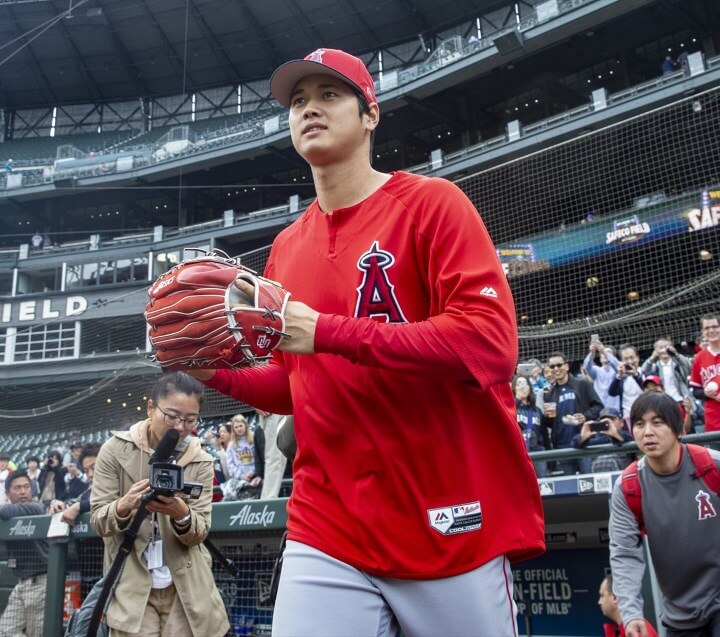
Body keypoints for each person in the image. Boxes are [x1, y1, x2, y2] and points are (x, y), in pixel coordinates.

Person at [188, 47, 544, 635]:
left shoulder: (433, 204)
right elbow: (295, 385)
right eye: (298, 101)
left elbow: (488, 345)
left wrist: (326, 331)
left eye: (329, 95)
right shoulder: (284, 248)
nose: (310, 109)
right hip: (327, 522)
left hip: (444, 512)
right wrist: (212, 375)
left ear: (370, 114)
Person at [90, 372, 229, 637]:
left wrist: (181, 514)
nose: (180, 427)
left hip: (185, 587)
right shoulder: (114, 450)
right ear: (151, 408)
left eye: (190, 419)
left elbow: (200, 531)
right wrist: (125, 504)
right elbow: (99, 520)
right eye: (172, 416)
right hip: (132, 586)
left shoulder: (200, 459)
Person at [609, 392, 720, 637]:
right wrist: (631, 613)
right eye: (639, 424)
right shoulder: (628, 486)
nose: (647, 432)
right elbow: (625, 554)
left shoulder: (712, 465)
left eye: (657, 423)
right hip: (680, 614)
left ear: (678, 429)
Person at [0, 471, 48, 637]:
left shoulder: (37, 507)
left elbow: (6, 512)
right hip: (22, 584)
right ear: (7, 493)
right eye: (17, 488)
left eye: (26, 487)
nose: (23, 491)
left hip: (43, 582)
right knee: (5, 630)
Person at [542, 351, 603, 475]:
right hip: (562, 446)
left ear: (567, 366)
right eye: (552, 366)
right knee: (569, 487)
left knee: (589, 485)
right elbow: (552, 423)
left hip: (583, 442)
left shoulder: (582, 384)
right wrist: (546, 417)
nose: (556, 369)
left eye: (559, 365)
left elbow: (598, 406)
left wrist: (585, 416)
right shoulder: (549, 394)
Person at [572, 406, 632, 472]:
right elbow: (574, 443)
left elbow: (631, 438)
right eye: (604, 421)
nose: (609, 424)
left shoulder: (627, 436)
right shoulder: (598, 438)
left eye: (612, 420)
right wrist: (582, 437)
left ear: (621, 422)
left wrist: (616, 435)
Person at [599, 572, 658, 637]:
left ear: (615, 597)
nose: (599, 602)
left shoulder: (637, 630)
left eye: (602, 596)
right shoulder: (626, 630)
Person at [512, 375, 548, 477]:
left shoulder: (537, 410)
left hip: (538, 453)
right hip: (518, 454)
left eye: (525, 383)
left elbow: (544, 436)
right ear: (514, 388)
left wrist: (551, 463)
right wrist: (517, 399)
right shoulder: (511, 408)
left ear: (529, 387)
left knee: (541, 486)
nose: (522, 387)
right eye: (519, 384)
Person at [690, 314, 720, 432]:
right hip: (714, 420)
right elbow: (696, 391)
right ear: (703, 332)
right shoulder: (699, 357)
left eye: (715, 326)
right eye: (707, 328)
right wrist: (706, 393)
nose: (711, 330)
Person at [222, 414, 262, 500]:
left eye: (241, 426)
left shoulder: (254, 439)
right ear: (233, 429)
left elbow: (259, 459)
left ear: (245, 425)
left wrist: (253, 472)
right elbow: (231, 466)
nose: (239, 429)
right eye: (236, 427)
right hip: (240, 480)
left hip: (255, 478)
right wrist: (242, 476)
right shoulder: (231, 445)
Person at [254, 409, 289, 499]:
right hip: (273, 407)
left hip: (296, 402)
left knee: (283, 456)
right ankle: (268, 500)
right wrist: (256, 403)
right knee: (275, 457)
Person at [608, 345, 644, 422]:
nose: (630, 361)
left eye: (632, 357)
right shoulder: (621, 378)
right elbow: (612, 393)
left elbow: (648, 389)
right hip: (627, 417)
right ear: (621, 361)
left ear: (637, 358)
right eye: (626, 359)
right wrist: (619, 376)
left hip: (646, 414)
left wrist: (635, 375)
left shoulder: (646, 373)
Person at [584, 340, 620, 412]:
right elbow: (586, 367)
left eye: (609, 353)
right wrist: (592, 353)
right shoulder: (596, 370)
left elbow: (618, 366)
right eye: (602, 353)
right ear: (600, 357)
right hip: (600, 409)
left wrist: (604, 351)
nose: (605, 354)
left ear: (613, 356)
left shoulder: (616, 370)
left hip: (615, 409)